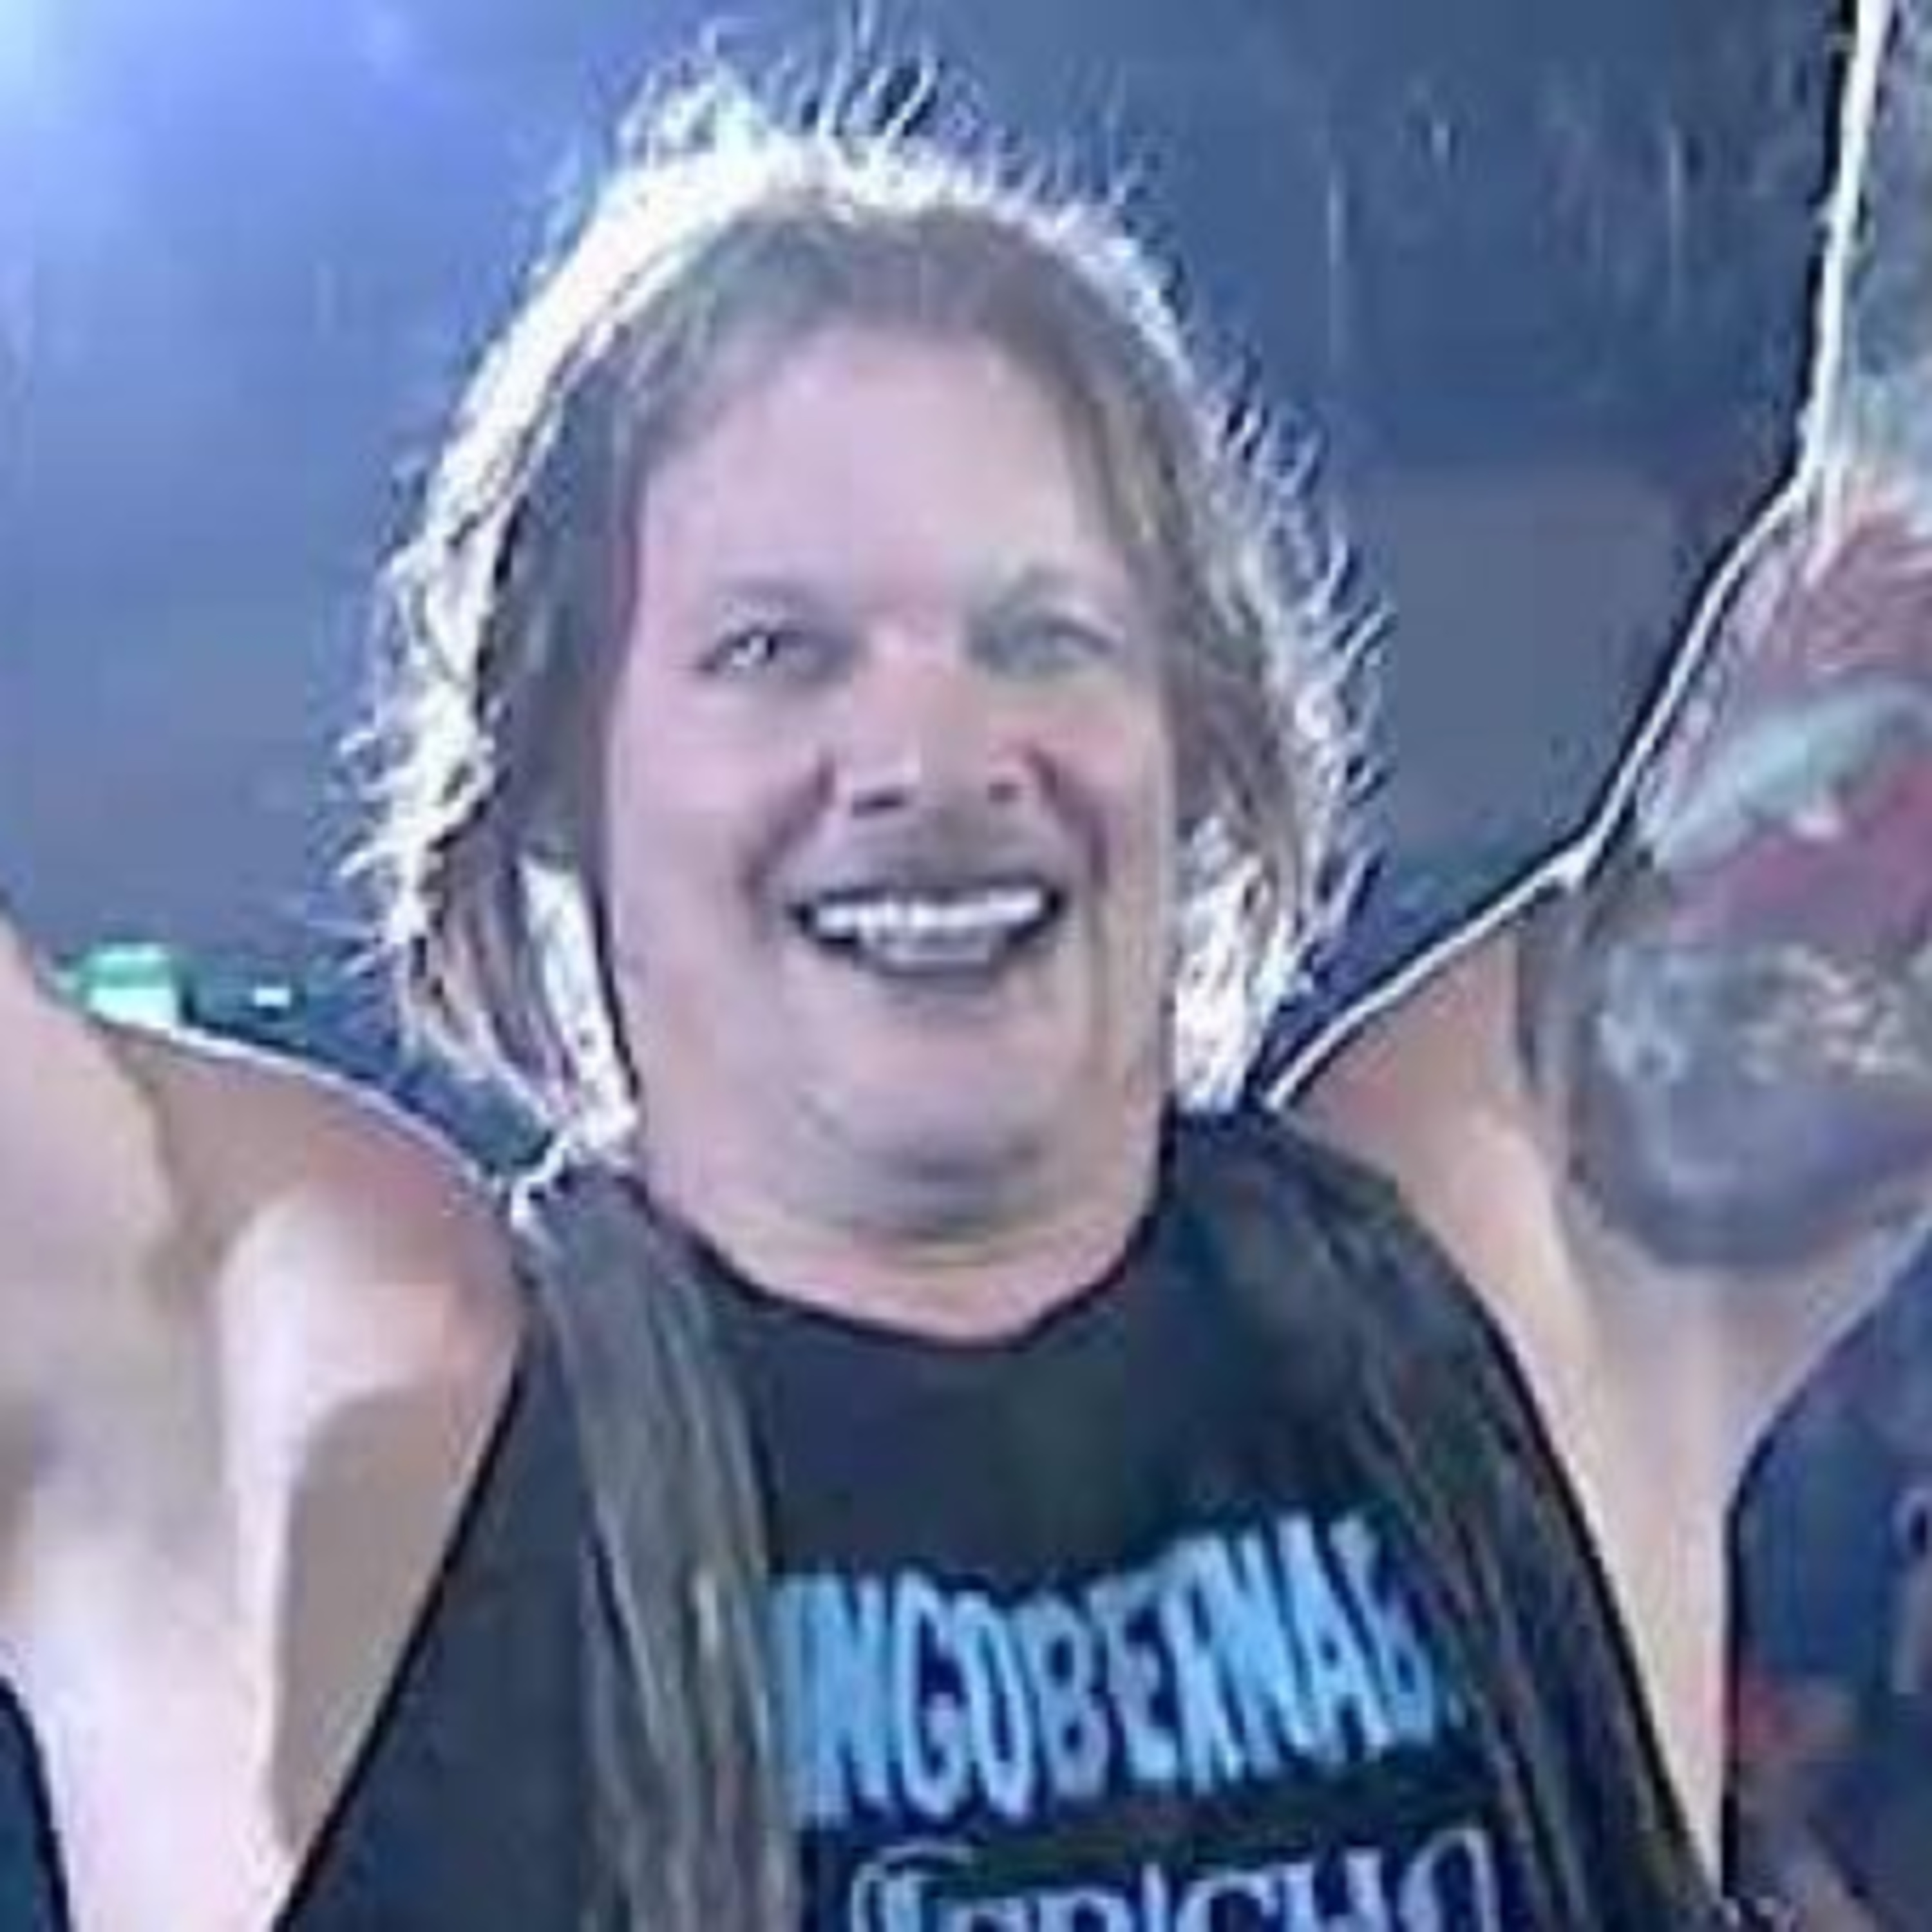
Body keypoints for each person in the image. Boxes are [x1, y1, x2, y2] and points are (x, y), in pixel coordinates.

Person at [0, 3, 1926, 1926]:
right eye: (776, 652)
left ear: (1194, 736)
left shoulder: (1514, 1259)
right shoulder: (300, 1387)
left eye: (1041, 636)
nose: (933, 758)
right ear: (556, 776)